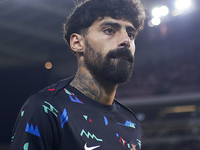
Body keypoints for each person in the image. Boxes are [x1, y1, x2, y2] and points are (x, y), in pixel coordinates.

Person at [10, 0, 146, 149]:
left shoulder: (131, 123)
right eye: (109, 30)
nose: (126, 40)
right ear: (77, 43)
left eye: (131, 34)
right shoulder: (46, 108)